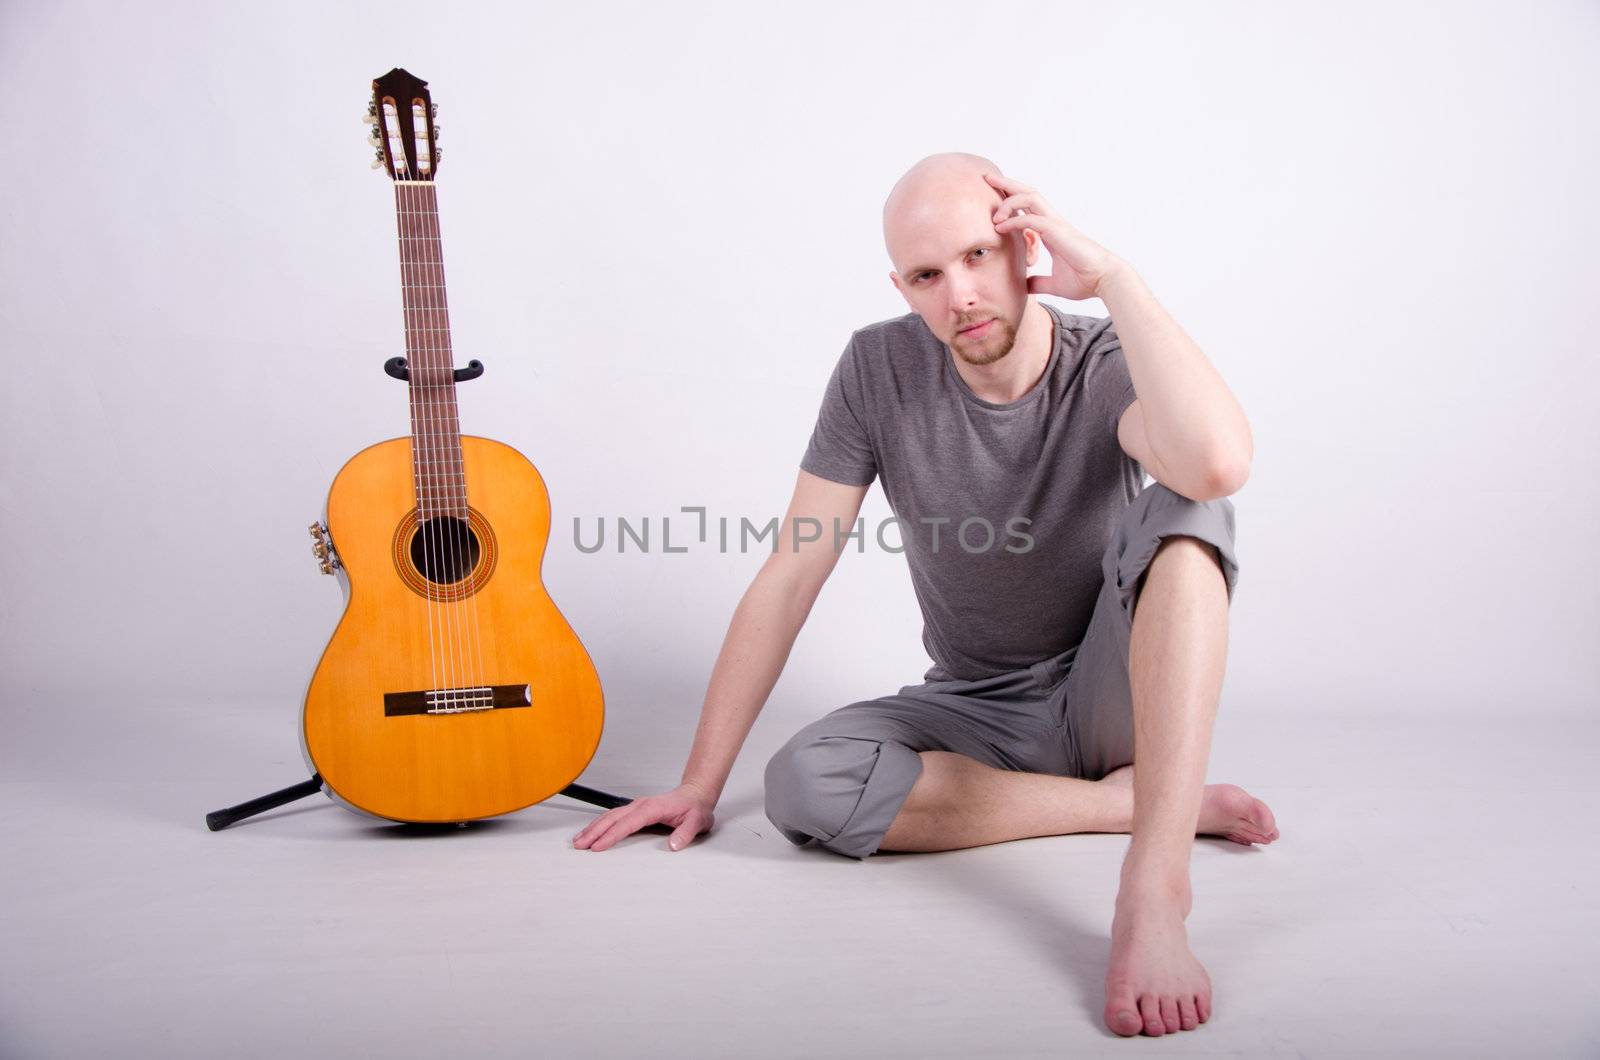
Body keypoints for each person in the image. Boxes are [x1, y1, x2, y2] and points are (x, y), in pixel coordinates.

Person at [571, 152, 1278, 1038]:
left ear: (1026, 246)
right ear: (901, 286)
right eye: (928, 275)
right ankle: (1130, 801)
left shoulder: (1104, 361)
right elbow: (794, 568)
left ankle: (1155, 883)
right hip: (975, 705)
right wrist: (698, 784)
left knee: (1187, 507)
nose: (961, 296)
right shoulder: (877, 371)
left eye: (980, 256)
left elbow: (1219, 464)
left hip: (1111, 693)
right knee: (804, 785)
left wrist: (1117, 282)